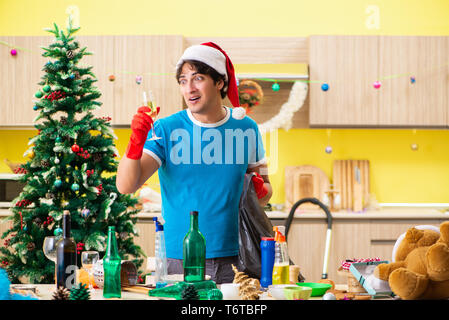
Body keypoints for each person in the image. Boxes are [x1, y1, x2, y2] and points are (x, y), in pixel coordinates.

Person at [116, 42, 272, 283]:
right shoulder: (166, 129)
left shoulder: (247, 129)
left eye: (198, 78)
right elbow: (126, 186)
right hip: (179, 258)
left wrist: (258, 189)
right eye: (183, 80)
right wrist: (135, 142)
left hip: (236, 256)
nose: (189, 88)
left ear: (219, 82)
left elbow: (266, 192)